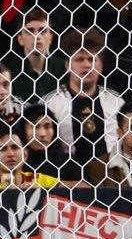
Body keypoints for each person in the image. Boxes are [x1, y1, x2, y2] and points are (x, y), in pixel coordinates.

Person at [43, 32, 126, 168]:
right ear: (67, 65)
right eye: (80, 59)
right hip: (67, 180)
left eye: (92, 60)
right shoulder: (50, 103)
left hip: (110, 180)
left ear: (100, 66)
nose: (87, 65)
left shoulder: (116, 102)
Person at [0, 124, 60, 190]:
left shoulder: (37, 180)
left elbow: (72, 187)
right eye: (3, 149)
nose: (10, 154)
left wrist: (42, 191)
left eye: (15, 147)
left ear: (25, 155)